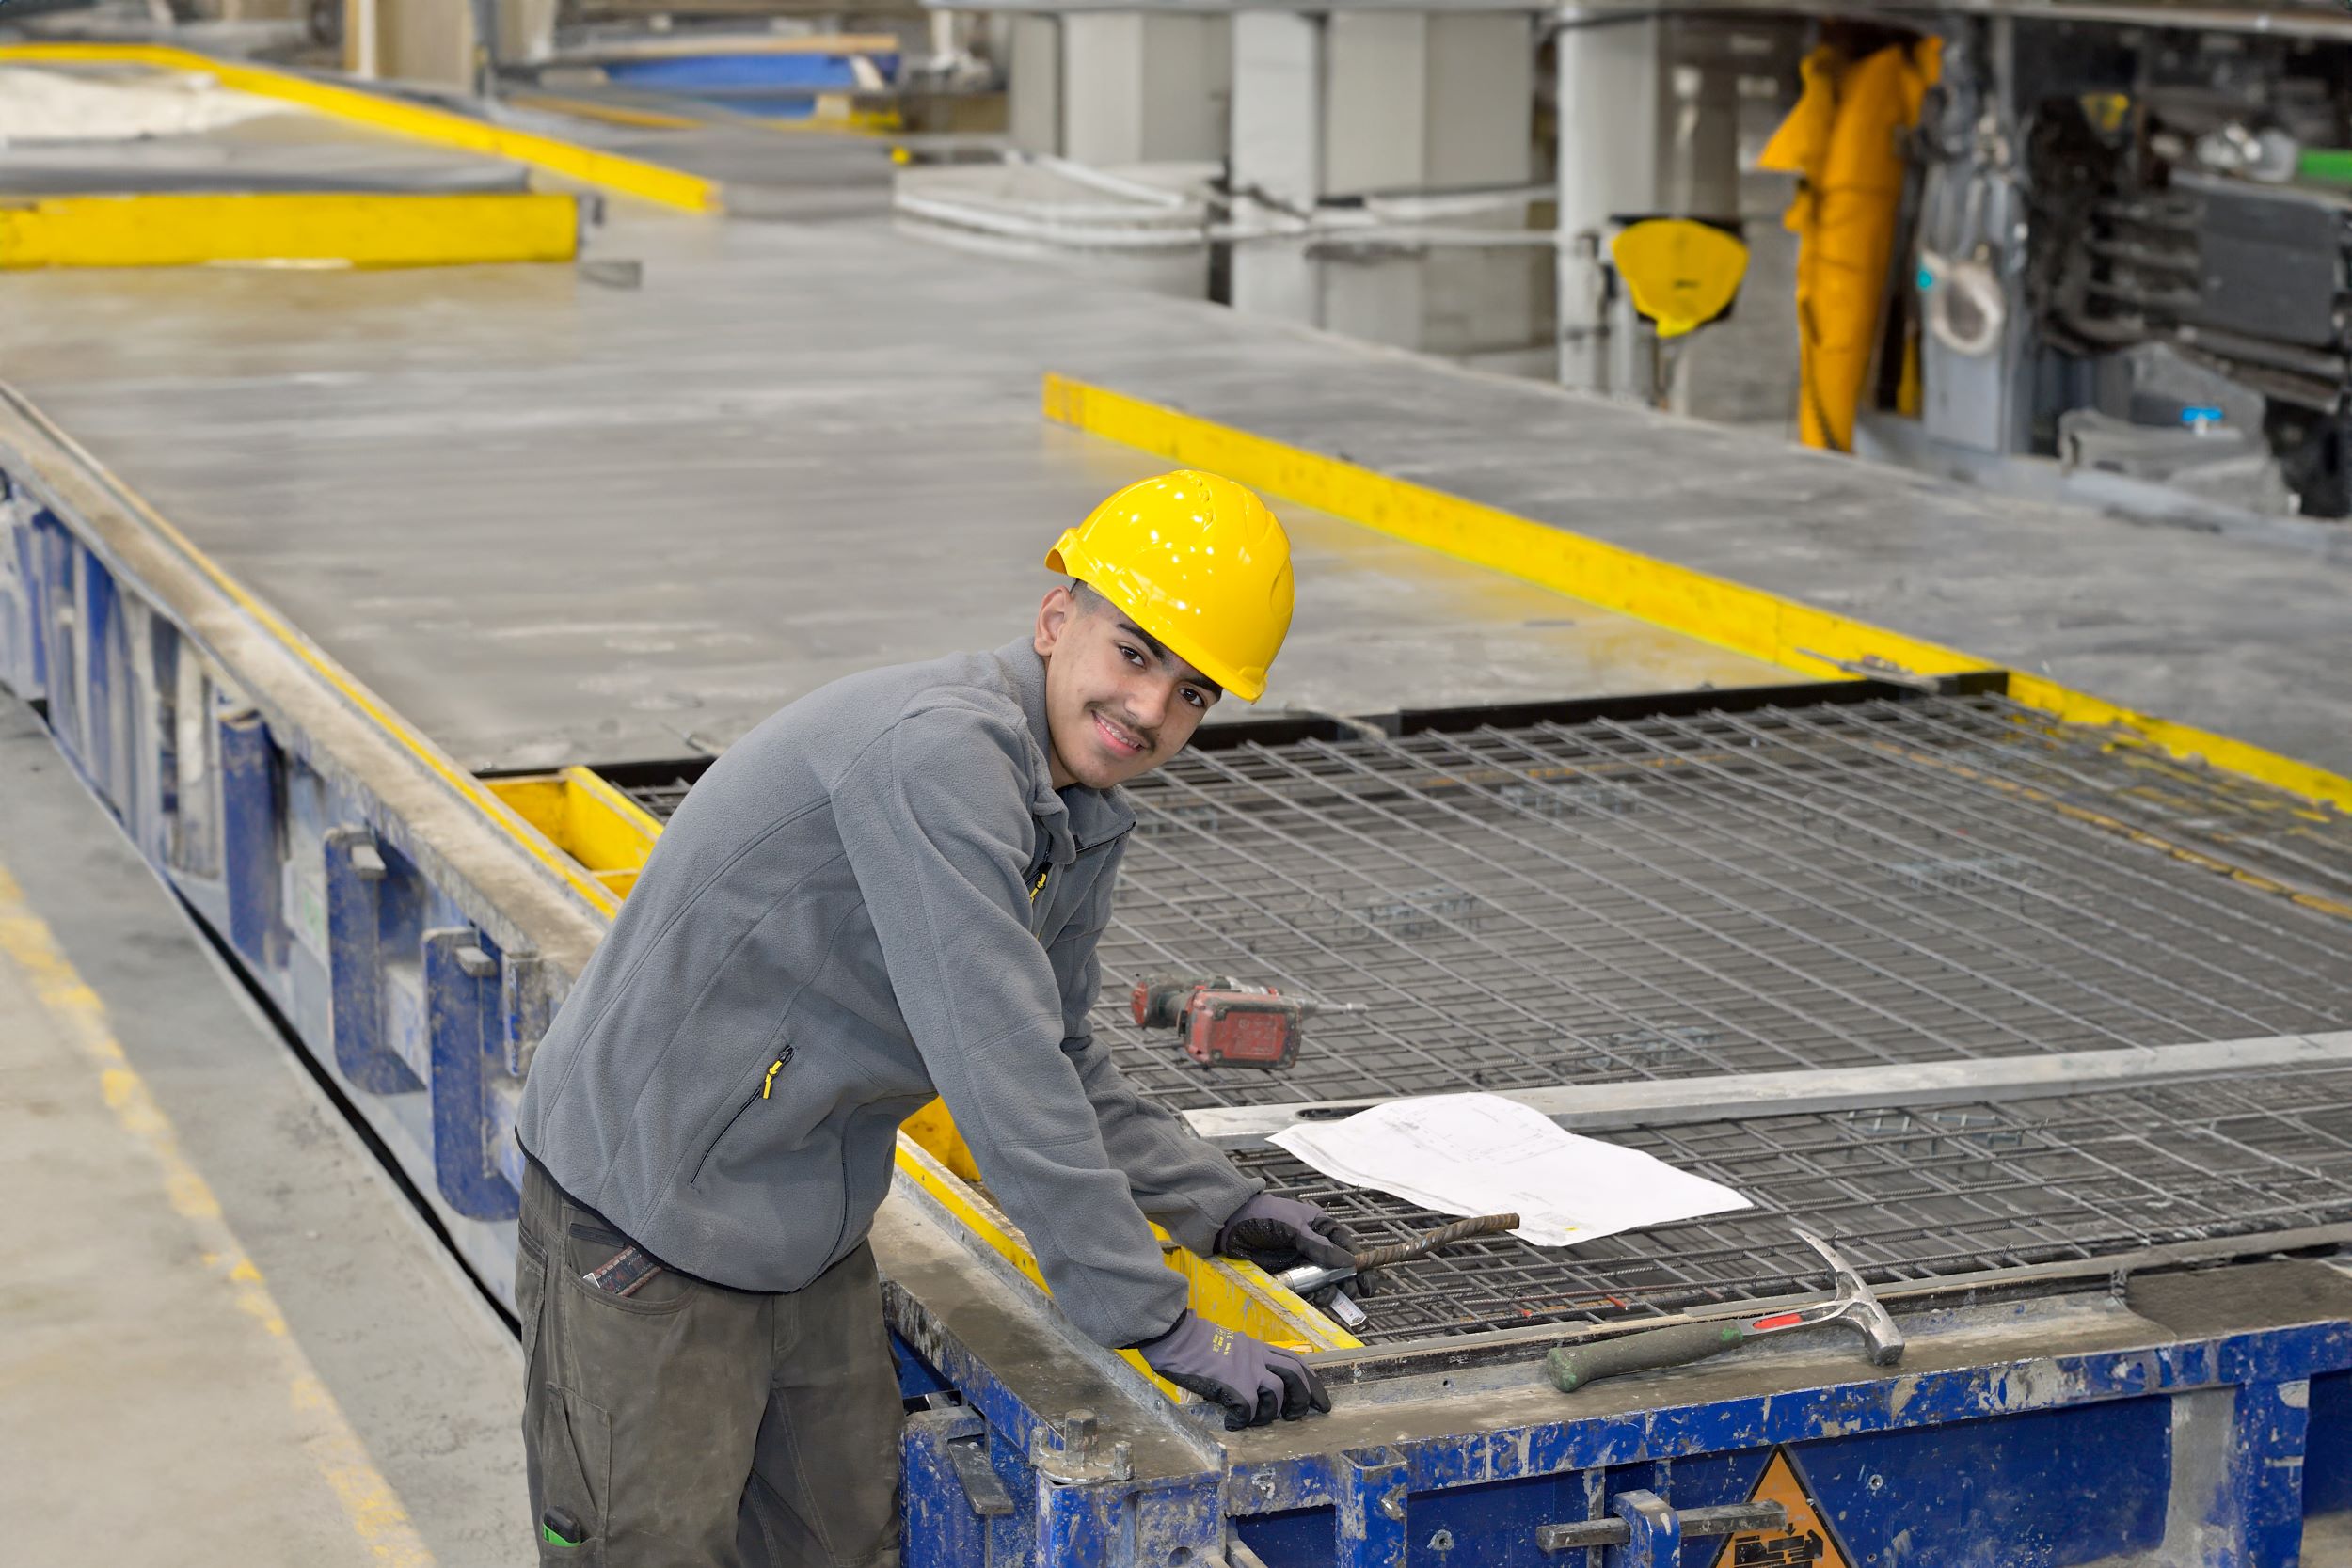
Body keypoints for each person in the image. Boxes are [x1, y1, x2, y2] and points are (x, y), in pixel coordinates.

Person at [513, 469, 1355, 1567]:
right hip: (646, 1224)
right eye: (1134, 652)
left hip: (800, 1222)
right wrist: (1157, 1319)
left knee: (845, 1543)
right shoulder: (939, 753)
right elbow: (1000, 1068)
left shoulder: (1078, 813)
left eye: (1192, 691)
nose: (1149, 708)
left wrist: (1216, 1202)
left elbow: (1055, 1047)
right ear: (1057, 618)